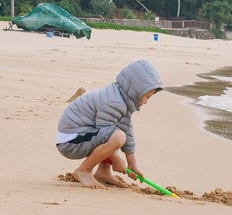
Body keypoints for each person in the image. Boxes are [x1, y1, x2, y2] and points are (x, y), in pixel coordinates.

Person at [56, 59, 163, 190]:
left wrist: (132, 164)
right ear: (136, 90)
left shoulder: (122, 98)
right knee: (117, 136)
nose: (146, 102)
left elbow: (127, 130)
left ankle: (103, 172)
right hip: (70, 141)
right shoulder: (114, 102)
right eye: (147, 97)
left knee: (117, 133)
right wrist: (116, 159)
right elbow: (106, 134)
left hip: (82, 136)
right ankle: (84, 170)